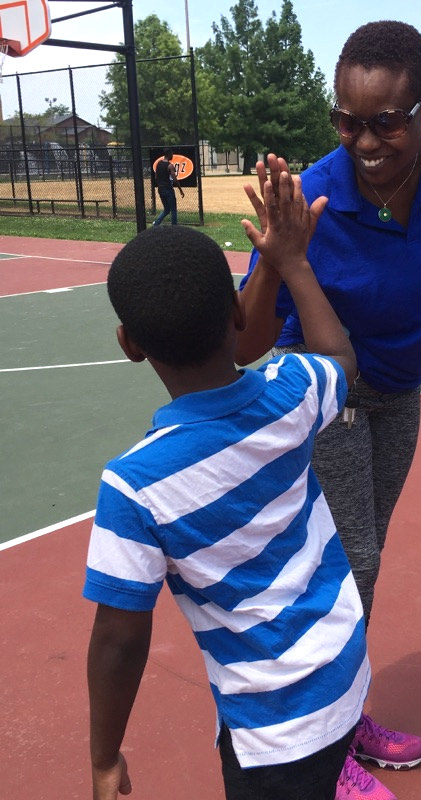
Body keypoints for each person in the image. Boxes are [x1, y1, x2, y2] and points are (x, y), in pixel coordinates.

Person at [236, 20, 421, 800]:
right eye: (347, 120)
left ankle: (344, 717)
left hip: (397, 394)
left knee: (363, 564)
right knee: (351, 563)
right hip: (323, 388)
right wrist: (279, 258)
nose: (364, 140)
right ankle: (319, 754)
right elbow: (247, 341)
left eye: (385, 121)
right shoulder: (316, 195)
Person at [84, 174, 373, 800]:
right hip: (344, 669)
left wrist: (104, 755)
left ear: (130, 345)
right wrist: (292, 261)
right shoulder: (292, 392)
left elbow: (118, 639)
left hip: (271, 725)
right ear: (239, 311)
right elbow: (341, 360)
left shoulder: (134, 487)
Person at [152, 147, 184, 225]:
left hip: (160, 189)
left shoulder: (159, 163)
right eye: (172, 153)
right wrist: (180, 190)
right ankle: (174, 227)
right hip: (168, 190)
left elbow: (156, 177)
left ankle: (156, 223)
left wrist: (160, 184)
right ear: (169, 154)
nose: (172, 155)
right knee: (173, 210)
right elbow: (175, 179)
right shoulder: (170, 166)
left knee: (166, 209)